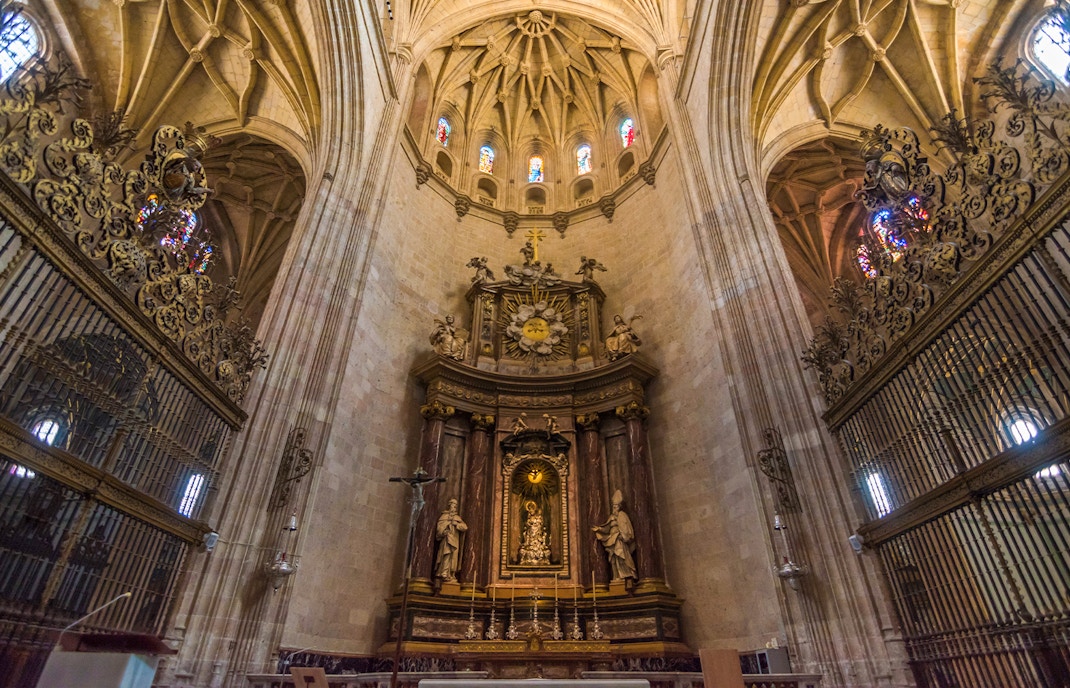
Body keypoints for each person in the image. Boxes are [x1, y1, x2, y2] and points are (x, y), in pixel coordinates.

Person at [593, 490, 636, 581]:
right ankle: (616, 576)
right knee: (613, 559)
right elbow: (607, 527)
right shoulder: (612, 517)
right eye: (613, 506)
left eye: (615, 506)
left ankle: (626, 576)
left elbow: (626, 528)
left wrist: (624, 536)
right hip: (612, 539)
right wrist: (599, 529)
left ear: (619, 507)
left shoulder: (622, 515)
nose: (614, 508)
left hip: (619, 539)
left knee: (621, 556)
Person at [435, 498, 467, 581]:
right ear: (449, 505)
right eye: (453, 505)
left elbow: (465, 527)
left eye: (456, 506)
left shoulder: (457, 517)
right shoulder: (444, 516)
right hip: (446, 539)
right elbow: (439, 528)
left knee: (453, 557)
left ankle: (451, 574)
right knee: (446, 554)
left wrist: (456, 524)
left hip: (455, 540)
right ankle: (443, 572)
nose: (454, 507)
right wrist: (444, 531)